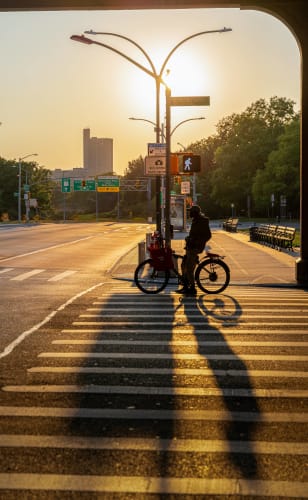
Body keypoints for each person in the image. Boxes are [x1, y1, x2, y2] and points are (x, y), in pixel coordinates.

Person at [176, 205, 211, 295]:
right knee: (183, 265)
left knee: (189, 268)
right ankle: (185, 286)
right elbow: (194, 234)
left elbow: (207, 235)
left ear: (195, 213)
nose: (189, 213)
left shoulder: (202, 221)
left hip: (195, 247)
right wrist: (189, 238)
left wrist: (196, 241)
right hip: (190, 246)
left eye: (191, 212)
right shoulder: (195, 220)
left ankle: (192, 288)